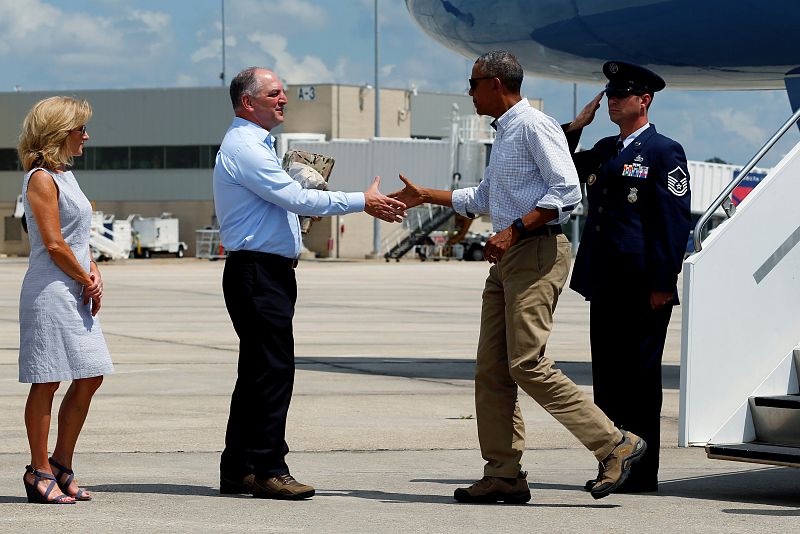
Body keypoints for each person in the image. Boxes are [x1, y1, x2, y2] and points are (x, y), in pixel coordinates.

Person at [390, 50, 645, 503]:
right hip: (508, 257)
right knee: (491, 369)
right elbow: (487, 195)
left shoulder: (533, 125)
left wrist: (514, 229)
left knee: (527, 363)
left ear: (494, 83)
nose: (468, 93)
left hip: (536, 250)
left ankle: (614, 444)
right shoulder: (507, 132)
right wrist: (425, 195)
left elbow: (565, 191)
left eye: (472, 84)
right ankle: (504, 473)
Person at [214, 67, 406, 500]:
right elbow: (295, 196)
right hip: (258, 273)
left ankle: (239, 468)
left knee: (258, 372)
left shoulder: (255, 144)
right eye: (274, 94)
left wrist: (299, 215)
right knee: (273, 372)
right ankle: (268, 467)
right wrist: (363, 200)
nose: (283, 100)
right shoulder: (246, 146)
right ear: (248, 102)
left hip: (264, 271)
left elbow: (283, 205)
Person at [564, 61, 692, 493]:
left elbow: (673, 223)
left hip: (642, 286)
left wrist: (663, 282)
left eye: (623, 94)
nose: (613, 100)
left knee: (639, 380)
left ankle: (643, 474)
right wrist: (576, 126)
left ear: (645, 100)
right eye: (610, 94)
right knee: (608, 380)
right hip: (604, 282)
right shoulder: (604, 148)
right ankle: (613, 463)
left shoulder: (664, 151)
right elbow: (560, 167)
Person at [18, 96, 112, 504]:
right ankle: (38, 471)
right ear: (60, 133)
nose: (86, 136)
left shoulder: (67, 176)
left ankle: (61, 462)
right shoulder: (41, 178)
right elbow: (54, 244)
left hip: (74, 284)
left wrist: (94, 270)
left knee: (91, 374)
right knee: (48, 378)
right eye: (80, 130)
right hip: (51, 290)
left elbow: (77, 238)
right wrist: (83, 278)